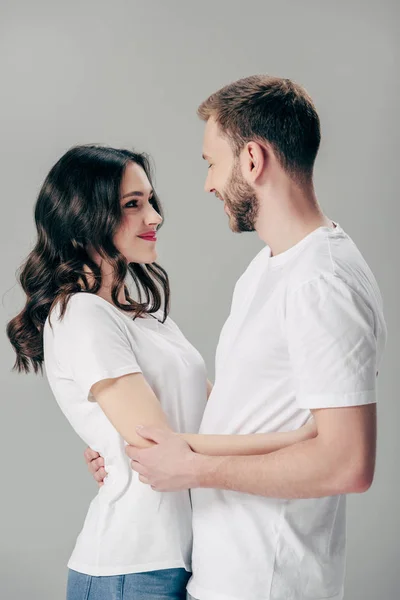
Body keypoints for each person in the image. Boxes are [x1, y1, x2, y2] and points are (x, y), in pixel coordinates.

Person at [87, 75, 387, 600]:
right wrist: (128, 450)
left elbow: (348, 462)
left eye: (212, 163)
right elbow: (244, 413)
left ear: (252, 160)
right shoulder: (266, 270)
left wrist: (194, 467)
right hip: (220, 575)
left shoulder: (323, 281)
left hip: (271, 585)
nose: (207, 183)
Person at [7, 144, 317, 600]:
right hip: (130, 566)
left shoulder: (148, 317)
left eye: (150, 201)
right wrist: (303, 439)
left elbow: (216, 418)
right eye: (133, 205)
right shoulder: (81, 315)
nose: (154, 217)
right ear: (83, 216)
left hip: (187, 559)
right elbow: (160, 450)